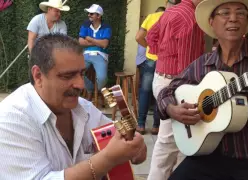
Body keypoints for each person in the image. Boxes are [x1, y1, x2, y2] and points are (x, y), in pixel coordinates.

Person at [156, 0, 248, 179]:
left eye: (240, 13)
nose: (233, 18)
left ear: (247, 21)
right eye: (225, 13)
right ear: (212, 22)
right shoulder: (202, 64)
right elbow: (166, 92)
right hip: (206, 159)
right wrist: (172, 109)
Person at [0, 34, 147, 179]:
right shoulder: (11, 118)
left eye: (81, 74)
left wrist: (135, 147)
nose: (80, 84)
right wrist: (108, 159)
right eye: (67, 76)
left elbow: (119, 139)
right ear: (38, 76)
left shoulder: (83, 108)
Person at [146, 0, 205, 179]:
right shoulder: (190, 18)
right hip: (175, 84)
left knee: (180, 141)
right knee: (168, 143)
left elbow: (150, 37)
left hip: (162, 77)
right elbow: (188, 67)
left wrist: (164, 55)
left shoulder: (171, 12)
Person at [135, 5, 168, 135]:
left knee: (145, 91)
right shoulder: (173, 17)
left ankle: (141, 124)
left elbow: (138, 37)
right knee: (160, 92)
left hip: (150, 59)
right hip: (165, 60)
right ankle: (156, 126)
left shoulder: (151, 17)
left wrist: (150, 46)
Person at [79, 4, 112, 103]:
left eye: (91, 13)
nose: (89, 15)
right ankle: (90, 88)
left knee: (102, 78)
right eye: (88, 13)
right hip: (86, 54)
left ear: (98, 16)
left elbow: (105, 44)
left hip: (100, 55)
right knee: (76, 71)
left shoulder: (106, 27)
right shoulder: (85, 25)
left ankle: (98, 92)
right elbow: (80, 41)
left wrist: (89, 39)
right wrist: (97, 41)